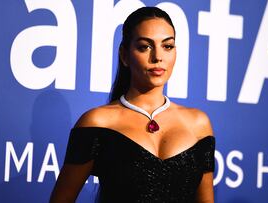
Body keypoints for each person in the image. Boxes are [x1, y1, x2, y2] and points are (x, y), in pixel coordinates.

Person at [50, 6, 215, 203]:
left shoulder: (198, 124)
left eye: (167, 46)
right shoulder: (97, 122)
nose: (158, 57)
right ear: (125, 55)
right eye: (145, 46)